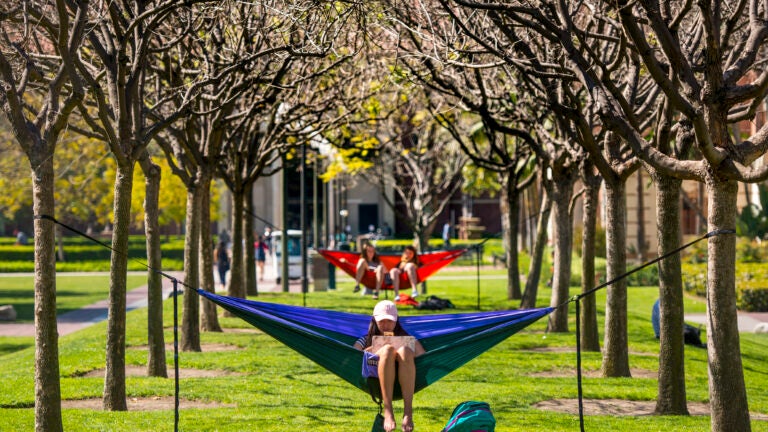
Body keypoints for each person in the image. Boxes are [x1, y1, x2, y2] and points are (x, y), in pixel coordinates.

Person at [354, 300, 425, 432]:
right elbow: (353, 355)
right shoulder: (366, 339)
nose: (386, 325)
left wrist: (405, 347)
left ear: (396, 320)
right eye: (382, 321)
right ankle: (388, 411)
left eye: (390, 321)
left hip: (404, 377)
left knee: (404, 349)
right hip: (376, 378)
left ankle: (408, 412)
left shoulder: (406, 337)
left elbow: (423, 356)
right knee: (387, 350)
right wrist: (375, 348)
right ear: (375, 320)